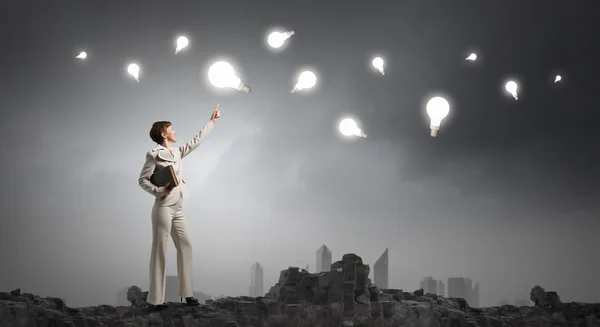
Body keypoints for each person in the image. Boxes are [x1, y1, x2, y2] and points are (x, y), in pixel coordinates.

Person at [137, 105, 220, 309]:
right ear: (164, 133)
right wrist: (160, 191)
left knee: (186, 245)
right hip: (163, 207)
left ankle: (187, 294)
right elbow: (142, 180)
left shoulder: (177, 151)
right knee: (160, 250)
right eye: (172, 129)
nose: (175, 132)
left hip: (178, 207)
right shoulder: (153, 155)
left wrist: (212, 122)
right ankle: (156, 300)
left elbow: (196, 141)